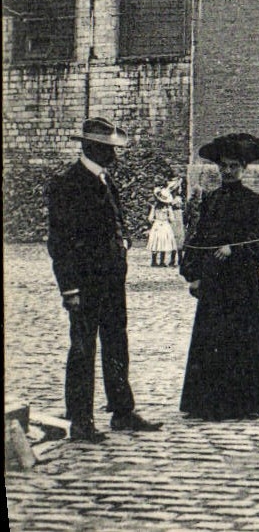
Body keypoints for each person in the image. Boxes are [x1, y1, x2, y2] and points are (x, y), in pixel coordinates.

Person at [46, 116, 163, 443]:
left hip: (112, 281)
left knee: (116, 343)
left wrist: (122, 242)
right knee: (83, 349)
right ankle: (80, 419)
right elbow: (60, 242)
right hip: (84, 284)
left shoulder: (104, 180)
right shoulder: (67, 184)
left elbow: (114, 222)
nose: (115, 154)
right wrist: (69, 288)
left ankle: (122, 411)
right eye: (108, 149)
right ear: (91, 148)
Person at [179, 132, 259, 422]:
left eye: (233, 165)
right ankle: (208, 403)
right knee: (212, 340)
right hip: (214, 283)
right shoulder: (211, 200)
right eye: (223, 166)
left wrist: (234, 249)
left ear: (243, 168)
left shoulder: (253, 202)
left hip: (242, 284)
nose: (227, 171)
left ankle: (244, 403)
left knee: (242, 341)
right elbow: (197, 237)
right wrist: (193, 274)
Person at [147, 186, 179, 268]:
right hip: (165, 224)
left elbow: (150, 218)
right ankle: (162, 261)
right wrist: (168, 218)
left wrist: (155, 220)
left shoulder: (155, 207)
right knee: (164, 241)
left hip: (157, 224)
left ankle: (154, 261)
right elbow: (172, 219)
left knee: (156, 241)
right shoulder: (168, 208)